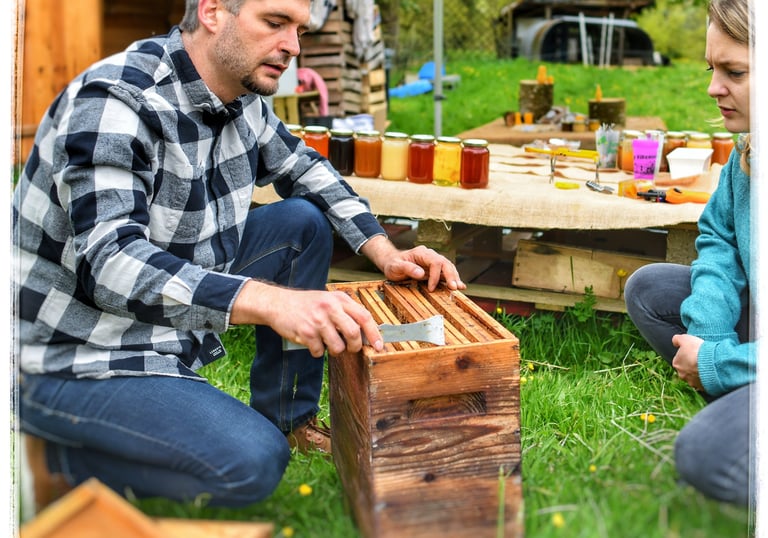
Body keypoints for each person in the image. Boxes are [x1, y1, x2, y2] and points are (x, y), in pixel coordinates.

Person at [13, 0, 466, 513]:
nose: (293, 46)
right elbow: (112, 264)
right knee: (249, 463)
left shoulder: (241, 94)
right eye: (275, 23)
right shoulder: (115, 102)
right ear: (211, 12)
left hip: (161, 296)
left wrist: (384, 250)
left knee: (300, 224)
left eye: (298, 29)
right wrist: (271, 302)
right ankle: (47, 458)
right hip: (69, 350)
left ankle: (289, 420)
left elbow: (305, 169)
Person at [624, 0, 754, 507]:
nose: (712, 87)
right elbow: (720, 242)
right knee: (650, 288)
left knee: (705, 456)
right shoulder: (748, 150)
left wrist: (718, 363)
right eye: (711, 68)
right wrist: (712, 338)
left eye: (734, 72)